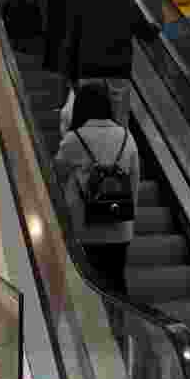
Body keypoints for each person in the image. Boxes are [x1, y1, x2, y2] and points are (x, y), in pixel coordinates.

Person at [54, 82, 140, 297]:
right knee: (116, 282)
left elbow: (56, 173)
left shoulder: (75, 139)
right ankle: (121, 326)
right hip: (120, 227)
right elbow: (134, 180)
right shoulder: (126, 137)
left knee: (88, 286)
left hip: (86, 228)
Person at [61, 0, 160, 132]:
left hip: (89, 71)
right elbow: (146, 33)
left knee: (86, 119)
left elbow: (72, 41)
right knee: (120, 120)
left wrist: (70, 74)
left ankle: (90, 155)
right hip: (118, 72)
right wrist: (157, 27)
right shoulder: (126, 5)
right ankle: (118, 154)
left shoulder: (83, 4)